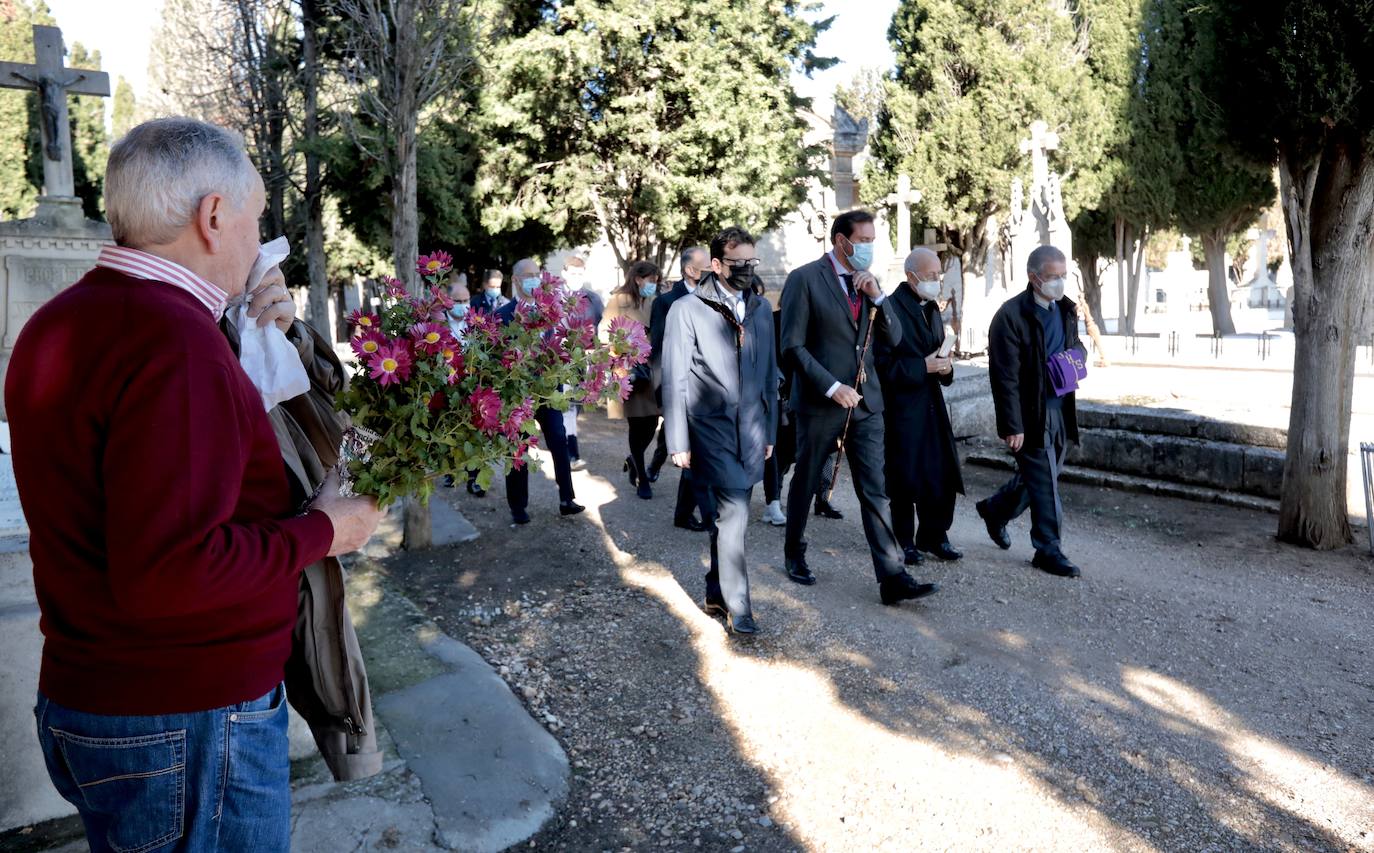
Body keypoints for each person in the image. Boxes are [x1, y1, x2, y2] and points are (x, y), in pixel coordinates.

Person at [5, 117, 384, 853]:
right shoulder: (175, 344)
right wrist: (325, 529)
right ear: (214, 217)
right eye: (256, 214)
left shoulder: (59, 323)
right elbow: (169, 572)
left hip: (107, 702)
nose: (258, 237)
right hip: (185, 717)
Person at [778, 209, 938, 606]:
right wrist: (830, 387)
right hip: (821, 402)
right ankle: (794, 551)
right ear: (841, 241)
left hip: (867, 404)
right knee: (807, 477)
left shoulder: (870, 285)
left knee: (875, 490)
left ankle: (892, 575)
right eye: (862, 240)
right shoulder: (805, 279)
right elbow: (792, 346)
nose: (867, 247)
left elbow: (896, 338)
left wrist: (879, 298)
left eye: (871, 240)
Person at [662, 227, 778, 635]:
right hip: (709, 428)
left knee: (730, 518)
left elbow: (768, 374)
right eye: (738, 263)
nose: (746, 269)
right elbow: (675, 376)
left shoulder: (761, 309)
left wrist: (769, 432)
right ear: (717, 265)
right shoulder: (687, 310)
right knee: (734, 517)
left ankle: (714, 592)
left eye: (752, 262)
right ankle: (739, 606)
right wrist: (677, 440)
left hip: (750, 431)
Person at [976, 245, 1084, 578]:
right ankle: (1048, 549)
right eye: (1053, 277)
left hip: (1060, 409)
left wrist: (1075, 360)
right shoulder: (1010, 317)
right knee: (1046, 487)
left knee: (1040, 479)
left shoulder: (1065, 310)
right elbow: (1004, 377)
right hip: (1029, 415)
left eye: (1064, 276)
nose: (1059, 283)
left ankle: (995, 510)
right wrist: (1012, 424)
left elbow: (1075, 346)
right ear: (1033, 277)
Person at [875, 248, 965, 566]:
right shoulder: (889, 309)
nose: (935, 281)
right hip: (901, 408)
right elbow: (881, 366)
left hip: (932, 406)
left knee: (939, 473)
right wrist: (921, 368)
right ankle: (904, 541)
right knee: (904, 477)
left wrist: (946, 367)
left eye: (938, 275)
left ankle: (934, 535)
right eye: (929, 276)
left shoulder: (931, 309)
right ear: (911, 276)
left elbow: (936, 354)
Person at [496, 258, 585, 523]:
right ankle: (518, 506)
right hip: (519, 395)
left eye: (537, 274)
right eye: (527, 275)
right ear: (515, 280)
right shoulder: (503, 315)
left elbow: (561, 345)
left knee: (559, 440)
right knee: (518, 449)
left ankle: (566, 498)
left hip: (549, 392)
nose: (534, 279)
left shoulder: (551, 311)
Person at [648, 246, 710, 530]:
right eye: (707, 264)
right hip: (682, 391)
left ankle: (684, 512)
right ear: (690, 270)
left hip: (709, 391)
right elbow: (660, 351)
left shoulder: (716, 297)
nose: (714, 268)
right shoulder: (667, 302)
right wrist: (663, 394)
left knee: (697, 454)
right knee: (690, 451)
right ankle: (693, 513)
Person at [602, 260, 662, 500]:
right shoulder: (619, 300)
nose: (653, 286)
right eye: (651, 280)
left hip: (651, 368)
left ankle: (633, 459)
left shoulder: (654, 301)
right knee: (637, 423)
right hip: (628, 369)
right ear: (639, 279)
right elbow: (605, 332)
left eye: (656, 282)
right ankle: (641, 477)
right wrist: (624, 349)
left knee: (652, 422)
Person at [561, 255, 601, 471]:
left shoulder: (593, 299)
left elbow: (599, 328)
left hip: (583, 360)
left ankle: (565, 440)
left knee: (576, 407)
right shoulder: (555, 298)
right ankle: (571, 453)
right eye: (573, 273)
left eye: (580, 274)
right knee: (567, 406)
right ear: (564, 273)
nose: (576, 277)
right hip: (559, 360)